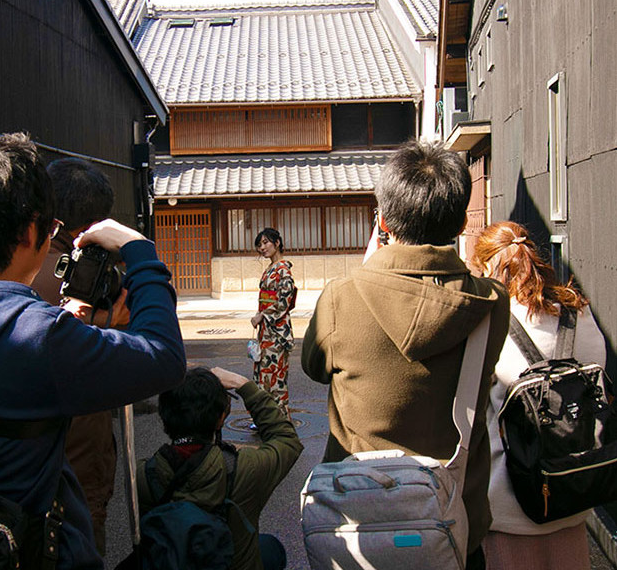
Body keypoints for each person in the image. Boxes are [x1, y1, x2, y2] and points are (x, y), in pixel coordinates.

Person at [301, 138, 510, 569]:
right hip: (454, 520)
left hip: (360, 519)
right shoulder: (491, 302)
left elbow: (313, 366)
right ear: (457, 225)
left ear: (384, 223)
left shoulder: (343, 297)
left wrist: (370, 265)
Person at [0, 132, 186, 568]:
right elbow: (163, 356)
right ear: (33, 230)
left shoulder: (44, 327)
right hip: (40, 534)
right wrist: (140, 250)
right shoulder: (38, 334)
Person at [472, 221, 606, 570]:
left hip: (508, 502)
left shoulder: (488, 321)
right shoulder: (578, 312)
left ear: (487, 266)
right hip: (572, 491)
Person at [30, 157, 121, 555]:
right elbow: (158, 358)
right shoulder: (89, 279)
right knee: (81, 545)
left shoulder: (19, 264)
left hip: (19, 462)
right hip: (79, 452)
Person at [138, 366, 303, 570]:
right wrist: (244, 385)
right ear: (221, 418)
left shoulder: (144, 475)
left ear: (164, 416)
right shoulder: (243, 468)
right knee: (271, 548)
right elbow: (286, 439)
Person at [250, 228, 296, 421]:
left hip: (276, 331)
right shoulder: (271, 269)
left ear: (277, 243)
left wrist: (263, 315)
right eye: (260, 245)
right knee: (263, 374)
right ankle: (266, 418)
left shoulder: (283, 270)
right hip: (266, 331)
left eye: (266, 243)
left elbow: (284, 300)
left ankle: (279, 419)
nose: (262, 248)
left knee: (274, 375)